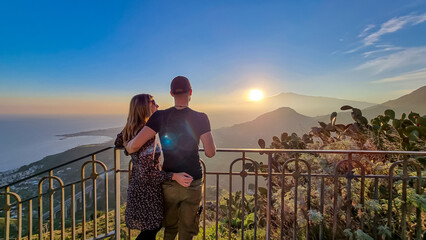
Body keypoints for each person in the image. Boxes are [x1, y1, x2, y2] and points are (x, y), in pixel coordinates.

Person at [126, 76, 216, 240]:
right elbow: (210, 152)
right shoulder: (201, 117)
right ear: (190, 92)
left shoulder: (159, 116)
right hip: (192, 181)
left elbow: (134, 145)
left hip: (170, 183)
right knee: (187, 230)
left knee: (171, 227)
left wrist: (127, 144)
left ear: (171, 93)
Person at [115, 94, 193, 240]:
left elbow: (118, 141)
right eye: (153, 102)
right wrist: (173, 176)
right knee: (152, 229)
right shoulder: (147, 135)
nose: (157, 106)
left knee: (150, 230)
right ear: (144, 107)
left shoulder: (132, 130)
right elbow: (148, 172)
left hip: (138, 188)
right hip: (148, 192)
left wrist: (129, 145)